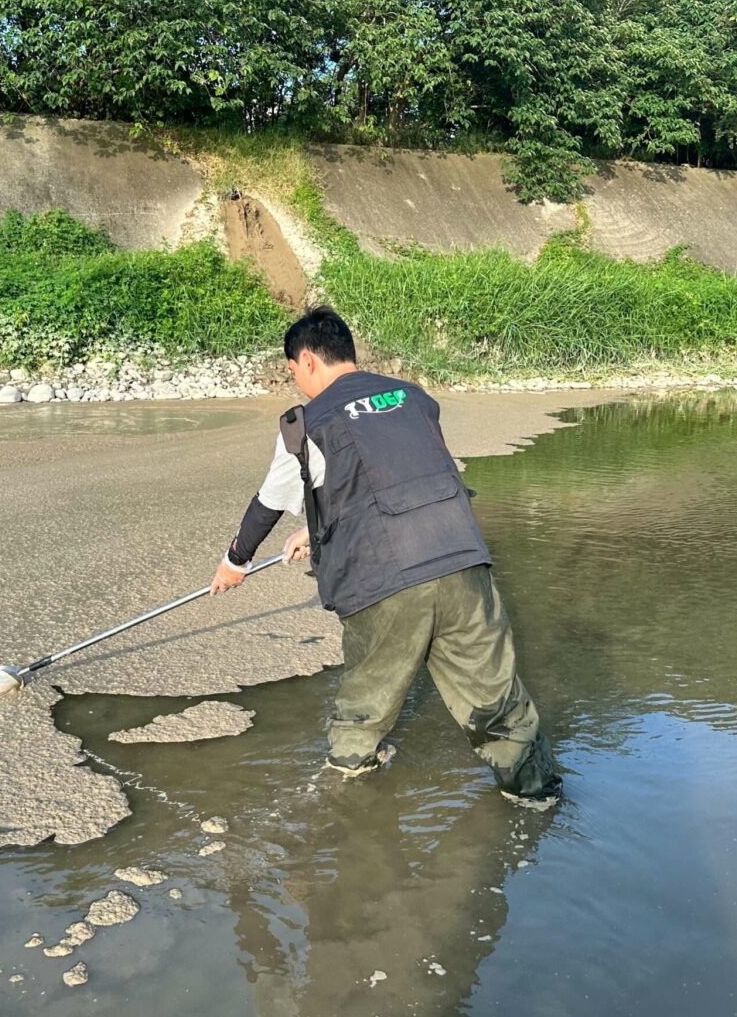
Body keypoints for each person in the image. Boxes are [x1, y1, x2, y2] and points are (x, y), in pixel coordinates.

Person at [210, 308, 561, 806]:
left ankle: (352, 793)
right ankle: (536, 797)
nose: (296, 382)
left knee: (366, 698)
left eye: (292, 371)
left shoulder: (306, 424)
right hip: (462, 561)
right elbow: (396, 479)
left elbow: (268, 503)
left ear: (306, 360)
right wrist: (318, 531)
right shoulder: (413, 398)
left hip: (383, 581)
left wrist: (235, 563)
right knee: (496, 701)